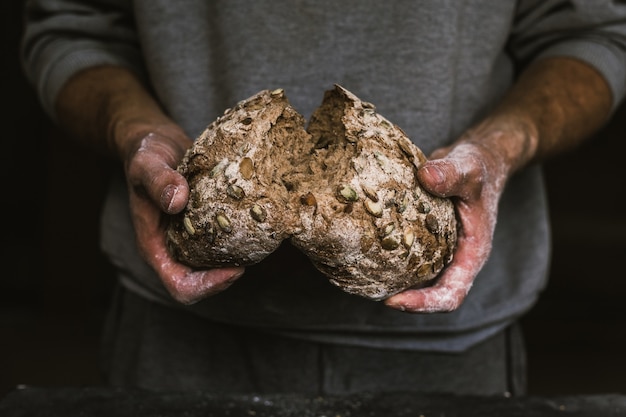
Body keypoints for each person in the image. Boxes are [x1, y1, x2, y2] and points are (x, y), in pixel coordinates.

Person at [20, 0, 626, 396]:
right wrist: (133, 129)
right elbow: (69, 28)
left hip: (452, 349)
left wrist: (501, 146)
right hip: (179, 338)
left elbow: (597, 32)